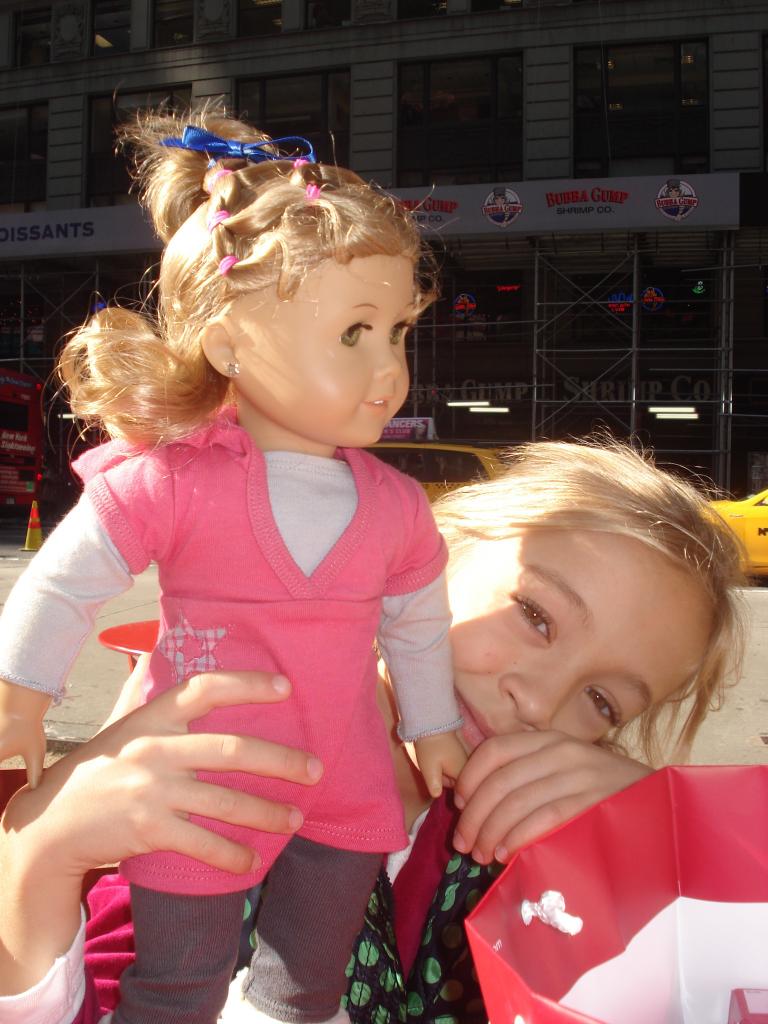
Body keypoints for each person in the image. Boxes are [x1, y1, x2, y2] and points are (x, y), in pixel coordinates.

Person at [0, 437, 747, 1024]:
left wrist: (655, 837)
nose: (538, 700)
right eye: (536, 615)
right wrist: (40, 854)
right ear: (426, 552)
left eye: (603, 702)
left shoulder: (547, 851)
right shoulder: (222, 736)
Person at [0, 106, 466, 1024]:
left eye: (399, 332)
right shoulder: (172, 480)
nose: (389, 367)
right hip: (196, 784)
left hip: (348, 781)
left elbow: (419, 623)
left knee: (305, 992)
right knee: (175, 986)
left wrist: (432, 723)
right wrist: (22, 695)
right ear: (225, 342)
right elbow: (64, 581)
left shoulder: (396, 506)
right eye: (354, 333)